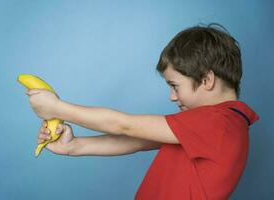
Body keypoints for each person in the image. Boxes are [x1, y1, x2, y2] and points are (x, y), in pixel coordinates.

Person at [26, 24, 259, 199]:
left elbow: (124, 124)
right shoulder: (215, 124)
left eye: (175, 86)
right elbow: (136, 140)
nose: (172, 97)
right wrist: (75, 146)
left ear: (207, 79)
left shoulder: (219, 122)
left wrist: (57, 108)